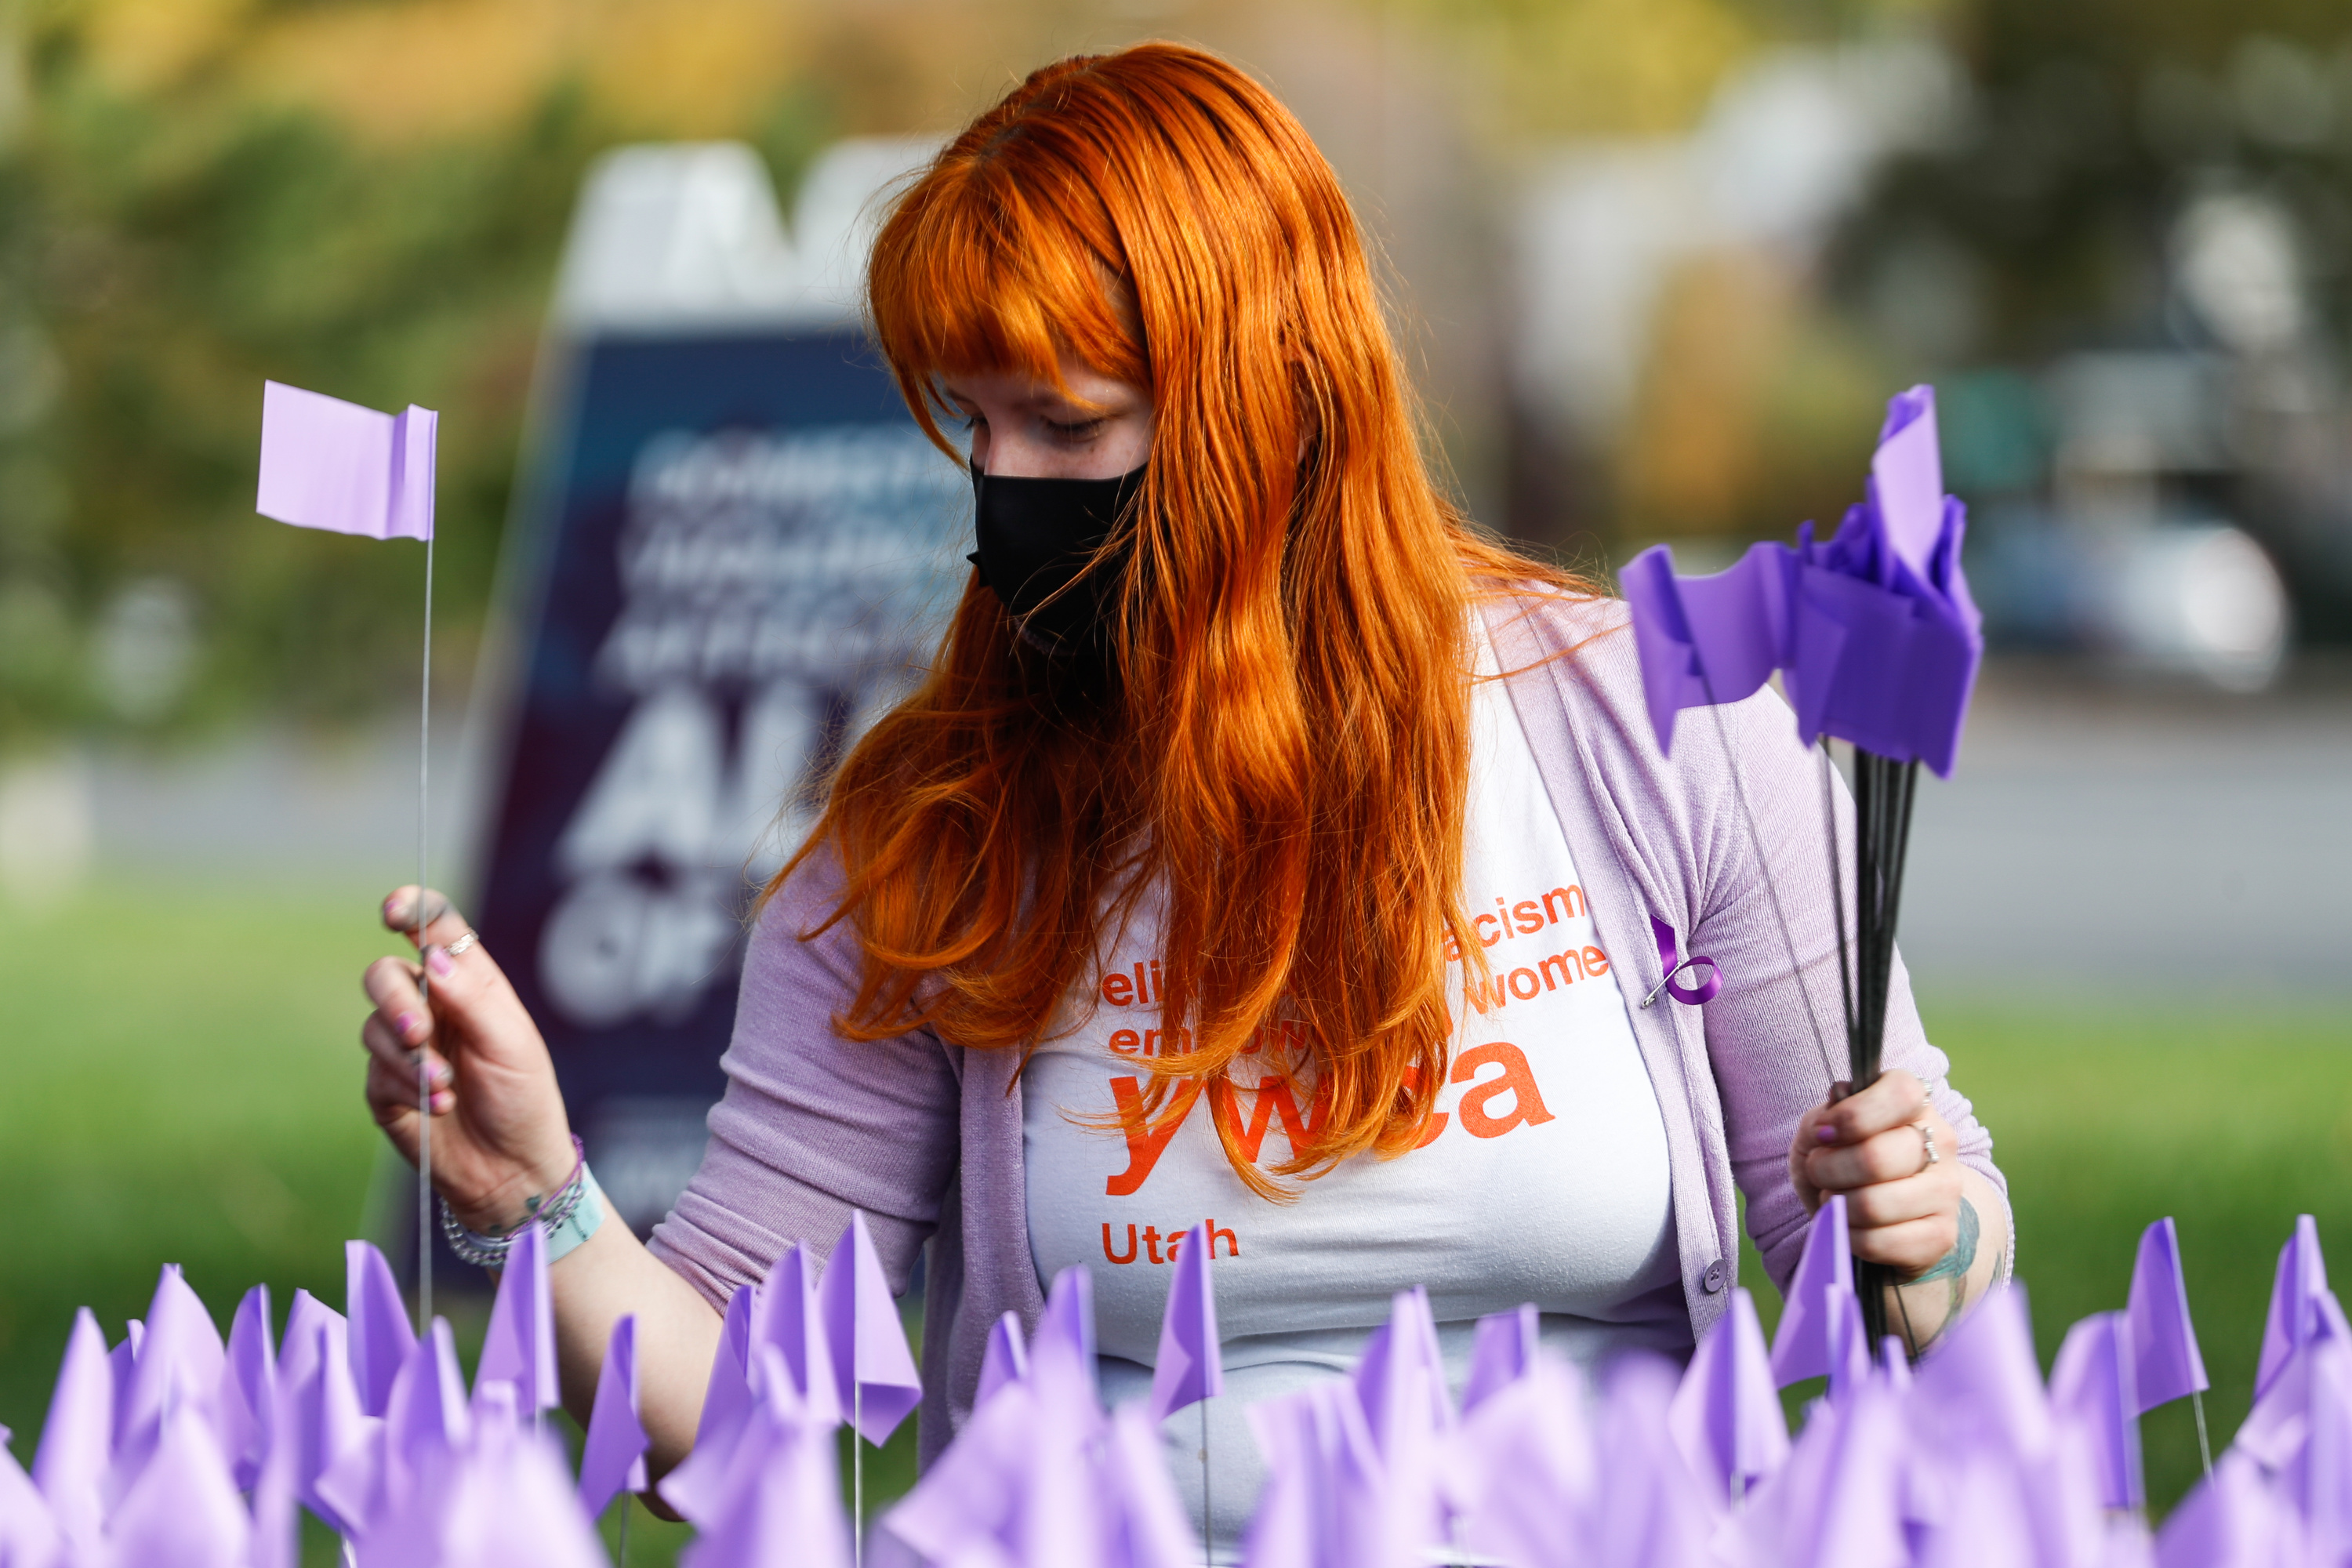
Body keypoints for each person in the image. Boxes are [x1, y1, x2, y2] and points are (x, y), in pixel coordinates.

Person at [358, 40, 2010, 1551]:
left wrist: (1927, 1234)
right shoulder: (932, 830)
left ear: (1270, 411)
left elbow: (1897, 1255)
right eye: (972, 423)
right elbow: (732, 1428)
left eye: (1066, 425)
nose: (1002, 487)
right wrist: (535, 1198)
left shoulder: (1662, 729)